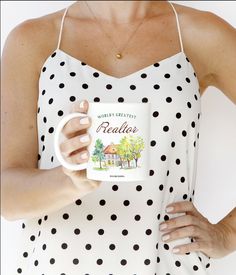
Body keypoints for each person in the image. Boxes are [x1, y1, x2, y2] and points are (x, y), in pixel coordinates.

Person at [1, 1, 236, 274]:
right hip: (57, 263)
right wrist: (69, 180)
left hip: (164, 264)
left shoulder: (202, 34)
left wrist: (227, 234)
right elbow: (6, 195)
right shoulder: (32, 40)